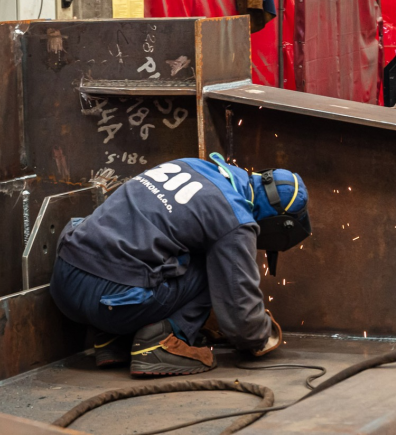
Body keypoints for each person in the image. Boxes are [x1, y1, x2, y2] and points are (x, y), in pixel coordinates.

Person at [50, 154, 311, 377]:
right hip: (111, 302)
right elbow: (240, 318)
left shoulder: (192, 164)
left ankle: (114, 339)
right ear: (276, 222)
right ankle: (161, 342)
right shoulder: (235, 218)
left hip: (63, 284)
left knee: (146, 245)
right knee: (217, 268)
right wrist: (261, 334)